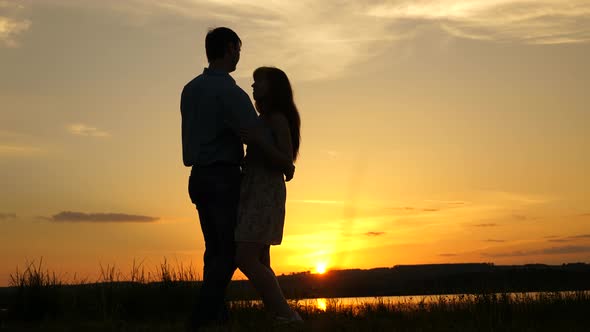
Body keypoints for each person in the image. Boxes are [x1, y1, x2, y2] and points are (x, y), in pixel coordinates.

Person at [180, 27, 259, 330]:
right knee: (228, 252)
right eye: (238, 49)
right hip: (223, 177)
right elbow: (254, 133)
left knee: (214, 249)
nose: (239, 55)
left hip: (198, 177)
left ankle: (216, 316)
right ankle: (200, 318)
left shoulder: (190, 89)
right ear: (228, 49)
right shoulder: (230, 92)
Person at [236, 66, 302, 322]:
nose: (253, 86)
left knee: (244, 256)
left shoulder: (276, 118)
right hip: (253, 190)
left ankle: (287, 314)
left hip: (265, 194)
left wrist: (257, 141)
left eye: (258, 82)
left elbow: (286, 161)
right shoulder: (263, 119)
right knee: (261, 259)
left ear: (272, 87)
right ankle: (276, 313)